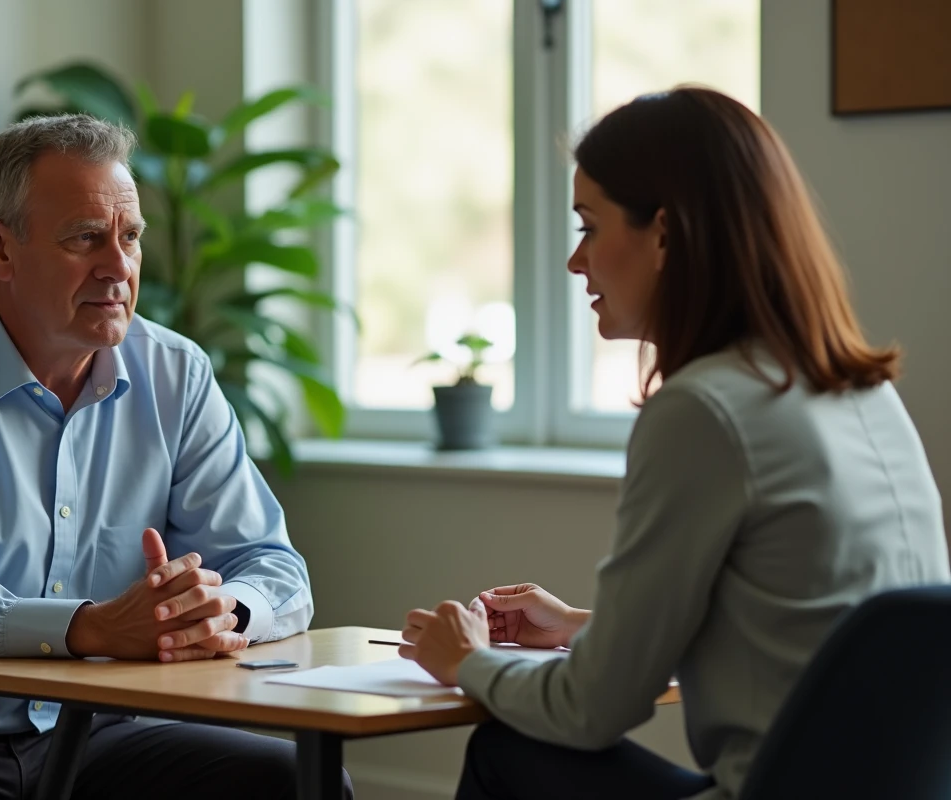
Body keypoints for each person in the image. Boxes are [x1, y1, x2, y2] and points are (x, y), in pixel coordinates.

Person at [0, 114, 350, 799]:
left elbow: (275, 567)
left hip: (88, 733)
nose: (118, 267)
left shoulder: (176, 374)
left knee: (292, 782)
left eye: (129, 237)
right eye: (85, 238)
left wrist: (223, 613)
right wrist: (86, 627)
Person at [398, 87, 951, 800]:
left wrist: (467, 660)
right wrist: (580, 629)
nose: (575, 263)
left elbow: (589, 712)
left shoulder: (704, 412)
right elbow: (814, 634)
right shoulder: (860, 392)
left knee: (509, 750)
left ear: (664, 234)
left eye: (589, 228)